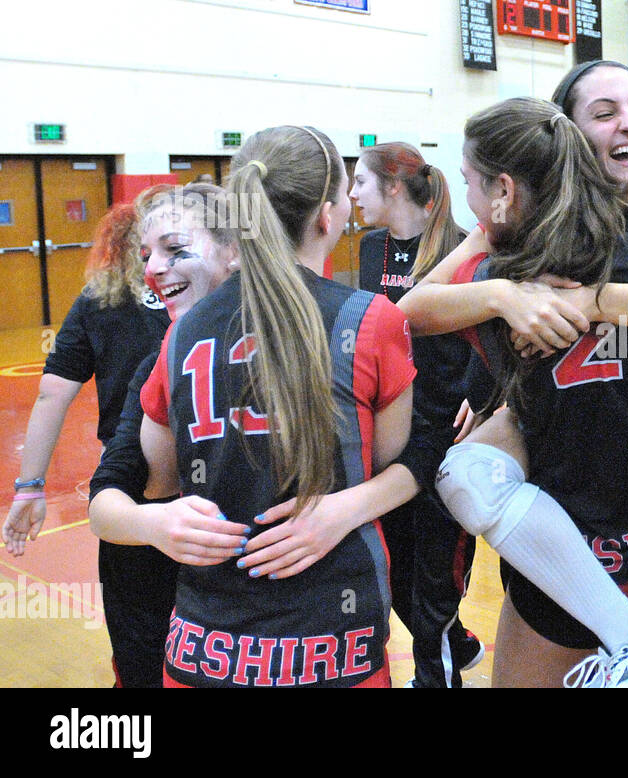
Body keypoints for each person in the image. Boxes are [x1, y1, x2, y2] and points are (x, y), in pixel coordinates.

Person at [402, 62, 628, 686]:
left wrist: (591, 301)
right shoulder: (512, 256)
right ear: (566, 135)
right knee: (468, 475)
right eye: (605, 113)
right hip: (576, 467)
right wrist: (504, 296)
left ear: (505, 189)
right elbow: (410, 310)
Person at [101, 126, 415, 688]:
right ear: (328, 214)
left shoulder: (181, 335)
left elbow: (153, 481)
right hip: (333, 644)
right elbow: (396, 457)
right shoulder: (370, 320)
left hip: (207, 644)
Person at [3, 202, 173, 687]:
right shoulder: (216, 296)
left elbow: (52, 391)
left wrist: (31, 487)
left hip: (126, 485)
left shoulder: (98, 301)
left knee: (137, 626)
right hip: (213, 481)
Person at [349, 142, 484, 688]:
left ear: (395, 187)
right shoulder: (370, 248)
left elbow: (494, 333)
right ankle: (458, 643)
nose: (352, 193)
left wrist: (484, 392)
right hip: (388, 435)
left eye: (360, 180)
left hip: (445, 434)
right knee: (396, 570)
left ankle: (438, 673)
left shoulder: (460, 249)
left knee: (433, 581)